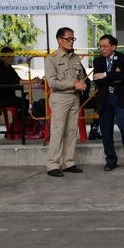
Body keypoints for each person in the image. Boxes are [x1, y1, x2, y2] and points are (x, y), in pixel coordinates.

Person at [44, 27, 86, 177]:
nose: (71, 42)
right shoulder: (51, 58)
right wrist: (73, 84)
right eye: (68, 39)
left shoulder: (75, 58)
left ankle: (68, 162)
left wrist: (81, 83)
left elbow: (80, 75)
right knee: (57, 131)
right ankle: (53, 164)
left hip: (74, 97)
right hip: (60, 98)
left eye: (73, 39)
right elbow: (52, 83)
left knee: (71, 131)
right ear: (59, 40)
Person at [92, 34, 124, 171]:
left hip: (120, 99)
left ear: (113, 47)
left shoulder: (123, 58)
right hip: (104, 99)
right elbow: (96, 79)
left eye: (105, 46)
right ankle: (111, 160)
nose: (102, 49)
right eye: (100, 46)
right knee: (106, 131)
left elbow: (123, 75)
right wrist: (113, 76)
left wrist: (105, 75)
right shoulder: (97, 61)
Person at [0, 46, 42, 120]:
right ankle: (20, 126)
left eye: (12, 56)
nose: (11, 58)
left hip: (8, 97)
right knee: (24, 103)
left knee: (27, 103)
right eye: (9, 56)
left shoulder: (10, 69)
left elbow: (19, 80)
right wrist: (32, 81)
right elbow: (15, 81)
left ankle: (18, 125)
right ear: (2, 58)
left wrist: (31, 80)